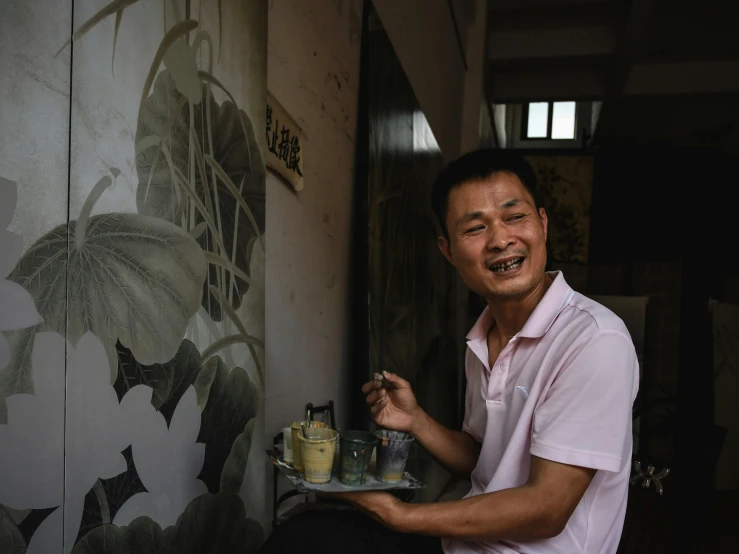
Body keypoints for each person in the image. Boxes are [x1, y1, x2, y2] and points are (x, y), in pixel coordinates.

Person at [259, 149, 639, 554]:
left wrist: (401, 516)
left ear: (542, 224)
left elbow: (547, 508)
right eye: (475, 228)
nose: (500, 240)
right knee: (301, 537)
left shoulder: (594, 341)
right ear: (448, 250)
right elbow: (486, 460)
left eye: (515, 217)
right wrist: (416, 420)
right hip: (462, 545)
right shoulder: (482, 338)